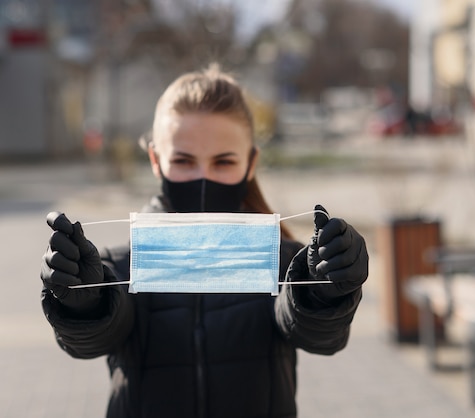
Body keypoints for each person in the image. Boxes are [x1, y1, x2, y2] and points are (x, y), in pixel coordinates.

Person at [40, 64, 369, 418]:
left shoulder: (280, 259)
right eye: (183, 160)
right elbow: (92, 342)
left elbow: (318, 337)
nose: (202, 178)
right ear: (155, 160)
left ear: (250, 162)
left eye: (223, 162)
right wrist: (82, 304)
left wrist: (322, 291)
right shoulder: (121, 265)